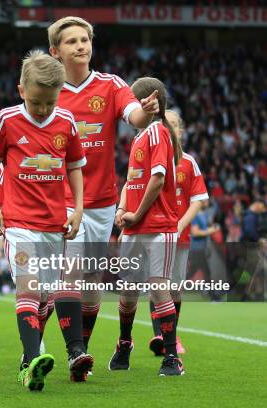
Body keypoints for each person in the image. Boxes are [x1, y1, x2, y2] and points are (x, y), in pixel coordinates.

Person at [48, 16, 159, 351]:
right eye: (72, 41)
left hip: (102, 200)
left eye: (85, 39)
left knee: (92, 278)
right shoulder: (49, 90)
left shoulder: (110, 85)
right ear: (55, 51)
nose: (81, 45)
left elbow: (133, 116)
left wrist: (146, 111)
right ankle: (66, 350)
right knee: (70, 272)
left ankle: (81, 348)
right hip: (62, 198)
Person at [0, 50, 87, 391]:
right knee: (28, 284)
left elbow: (74, 167)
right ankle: (31, 361)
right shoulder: (6, 120)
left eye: (50, 103)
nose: (43, 110)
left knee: (46, 296)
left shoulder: (67, 122)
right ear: (21, 90)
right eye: (38, 103)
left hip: (54, 223)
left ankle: (30, 358)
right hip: (18, 222)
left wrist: (78, 208)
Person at [111, 77, 184, 376]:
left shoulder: (157, 132)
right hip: (134, 226)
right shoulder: (141, 136)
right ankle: (125, 343)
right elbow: (132, 180)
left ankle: (171, 357)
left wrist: (137, 213)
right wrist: (121, 208)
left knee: (157, 288)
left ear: (146, 102)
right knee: (128, 292)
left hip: (157, 225)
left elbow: (157, 178)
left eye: (131, 99)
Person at [148, 110, 208, 356]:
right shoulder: (151, 159)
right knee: (156, 285)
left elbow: (198, 200)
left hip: (179, 236)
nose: (170, 129)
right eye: (165, 124)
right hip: (155, 234)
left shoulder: (188, 162)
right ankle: (160, 336)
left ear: (181, 131)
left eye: (174, 125)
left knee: (175, 289)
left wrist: (180, 225)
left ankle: (171, 333)